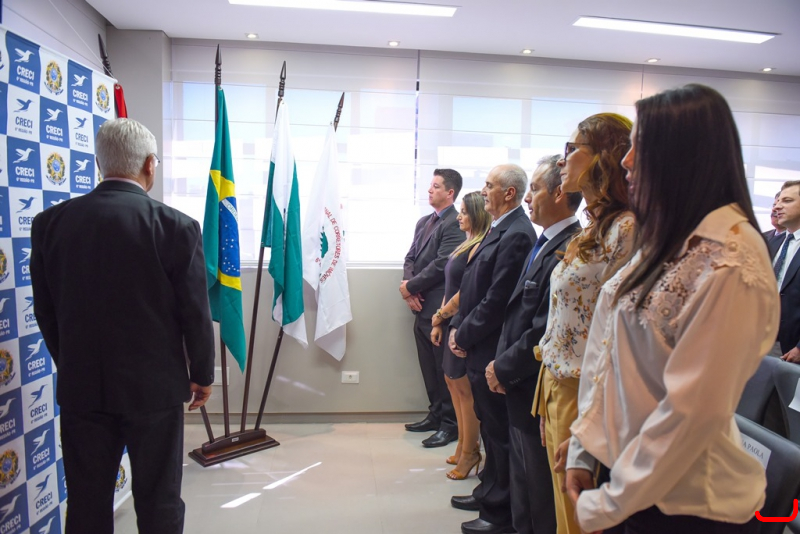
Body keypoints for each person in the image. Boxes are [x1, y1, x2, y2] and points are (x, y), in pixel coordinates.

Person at [565, 83, 778, 534]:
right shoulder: (669, 238)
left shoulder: (731, 259)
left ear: (683, 155)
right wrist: (588, 447)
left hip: (688, 504)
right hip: (633, 478)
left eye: (639, 147)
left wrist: (609, 503)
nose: (626, 162)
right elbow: (611, 356)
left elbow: (691, 411)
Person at [30, 118, 215, 534]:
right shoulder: (177, 226)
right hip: (155, 392)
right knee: (159, 501)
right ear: (150, 164)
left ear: (100, 164)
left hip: (82, 388)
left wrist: (71, 361)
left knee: (86, 503)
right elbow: (195, 313)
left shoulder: (49, 224)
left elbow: (46, 310)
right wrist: (202, 374)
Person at [532, 113, 634, 534]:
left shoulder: (627, 229)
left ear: (604, 157)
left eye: (572, 149)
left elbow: (619, 333)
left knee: (580, 518)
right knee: (565, 513)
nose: (562, 160)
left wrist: (589, 422)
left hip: (587, 390)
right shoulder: (594, 228)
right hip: (557, 381)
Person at [485, 155, 582, 534]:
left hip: (534, 381)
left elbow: (544, 328)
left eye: (536, 189)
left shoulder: (571, 247)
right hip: (519, 381)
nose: (528, 197)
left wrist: (503, 366)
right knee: (523, 482)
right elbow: (518, 311)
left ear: (559, 193)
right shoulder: (545, 241)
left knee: (539, 492)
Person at [449, 164, 536, 534]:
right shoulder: (500, 227)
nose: (483, 191)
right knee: (488, 425)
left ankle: (499, 512)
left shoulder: (518, 234)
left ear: (509, 193)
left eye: (489, 185)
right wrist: (458, 326)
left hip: (491, 347)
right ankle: (488, 490)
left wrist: (463, 335)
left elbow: (497, 300)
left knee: (499, 434)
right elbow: (473, 285)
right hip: (478, 343)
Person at [401, 169, 465, 447]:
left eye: (436, 186)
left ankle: (450, 424)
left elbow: (442, 264)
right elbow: (410, 257)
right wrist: (408, 287)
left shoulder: (455, 223)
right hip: (419, 306)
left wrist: (411, 287)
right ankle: (435, 414)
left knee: (442, 369)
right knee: (428, 367)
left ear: (450, 193)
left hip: (439, 308)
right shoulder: (424, 221)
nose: (429, 190)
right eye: (430, 185)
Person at [431, 191, 491, 480]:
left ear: (477, 214)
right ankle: (462, 444)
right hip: (450, 320)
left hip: (462, 322)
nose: (459, 216)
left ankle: (471, 451)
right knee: (451, 383)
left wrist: (442, 316)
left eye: (465, 211)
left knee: (464, 390)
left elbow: (464, 292)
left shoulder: (479, 246)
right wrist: (439, 319)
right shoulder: (466, 242)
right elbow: (449, 287)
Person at [770, 180, 800, 363]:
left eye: (787, 201)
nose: (777, 207)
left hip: (792, 348)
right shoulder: (772, 243)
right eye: (778, 201)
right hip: (759, 341)